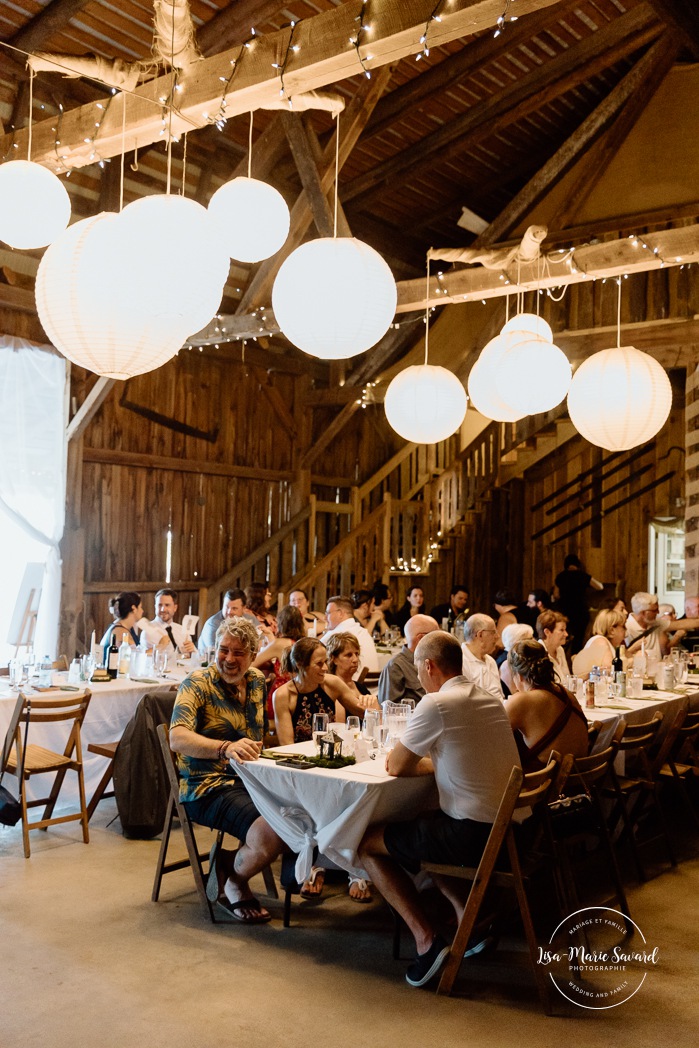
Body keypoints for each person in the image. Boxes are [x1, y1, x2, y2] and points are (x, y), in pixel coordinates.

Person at [358, 631, 522, 988]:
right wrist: (437, 762)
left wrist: (419, 760)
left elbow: (397, 767)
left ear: (428, 666)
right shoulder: (489, 698)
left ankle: (426, 940)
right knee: (421, 824)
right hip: (512, 831)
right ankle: (469, 920)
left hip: (473, 836)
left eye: (418, 668)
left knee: (367, 841)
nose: (418, 676)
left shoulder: (436, 704)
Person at [169, 617, 284, 923]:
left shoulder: (258, 681)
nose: (229, 659)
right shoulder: (197, 684)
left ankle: (237, 864)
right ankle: (232, 876)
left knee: (302, 814)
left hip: (252, 778)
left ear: (252, 654)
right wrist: (224, 748)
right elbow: (177, 737)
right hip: (206, 786)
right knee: (271, 833)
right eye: (223, 650)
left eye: (238, 653)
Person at [272, 637, 360, 901]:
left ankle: (353, 868)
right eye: (319, 663)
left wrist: (370, 704)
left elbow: (361, 711)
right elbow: (287, 747)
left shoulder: (331, 684)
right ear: (300, 665)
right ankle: (318, 863)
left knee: (355, 797)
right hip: (302, 771)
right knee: (322, 800)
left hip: (332, 763)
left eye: (325, 662)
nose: (325, 668)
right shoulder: (283, 695)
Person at [506, 640, 589, 773]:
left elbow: (491, 737)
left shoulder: (522, 701)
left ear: (519, 676)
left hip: (548, 787)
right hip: (581, 778)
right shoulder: (565, 692)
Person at [252, 605, 306, 730]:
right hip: (299, 697)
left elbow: (252, 663)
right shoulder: (303, 643)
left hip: (281, 698)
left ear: (281, 623)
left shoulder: (280, 644)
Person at [377, 614, 440, 707]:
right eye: (436, 636)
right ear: (421, 638)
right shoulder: (396, 666)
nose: (440, 641)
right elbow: (389, 710)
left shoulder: (436, 661)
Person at [553, 554, 603, 654]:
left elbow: (556, 595)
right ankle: (575, 660)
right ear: (578, 564)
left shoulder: (561, 576)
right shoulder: (582, 575)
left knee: (563, 637)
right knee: (578, 639)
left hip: (565, 611)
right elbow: (600, 587)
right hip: (580, 611)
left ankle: (562, 658)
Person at [321, 595, 378, 677]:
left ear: (340, 613)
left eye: (328, 613)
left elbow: (311, 655)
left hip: (352, 687)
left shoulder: (337, 634)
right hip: (373, 687)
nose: (324, 618)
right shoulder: (363, 631)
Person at [325, 632, 378, 710]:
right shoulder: (331, 690)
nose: (355, 659)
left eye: (356, 654)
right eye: (348, 655)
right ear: (334, 659)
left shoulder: (361, 688)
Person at [572, 608, 627, 678]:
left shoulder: (610, 644)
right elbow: (609, 669)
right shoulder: (601, 641)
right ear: (612, 630)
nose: (626, 629)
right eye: (623, 626)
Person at [460, 613, 503, 699]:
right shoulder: (460, 661)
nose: (497, 637)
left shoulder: (491, 661)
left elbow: (499, 696)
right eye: (493, 632)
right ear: (480, 635)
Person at [145, 588, 196, 656]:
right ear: (155, 607)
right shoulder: (148, 630)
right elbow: (143, 657)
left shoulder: (183, 631)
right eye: (160, 605)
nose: (163, 609)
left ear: (175, 608)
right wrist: (160, 647)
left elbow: (196, 659)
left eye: (167, 605)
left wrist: (193, 651)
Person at [197, 588, 246, 654]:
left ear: (244, 608)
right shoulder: (212, 624)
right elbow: (219, 654)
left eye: (234, 608)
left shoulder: (248, 619)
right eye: (227, 607)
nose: (229, 612)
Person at [100, 591, 143, 662]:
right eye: (140, 607)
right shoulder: (119, 631)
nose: (142, 611)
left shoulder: (126, 628)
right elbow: (133, 658)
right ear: (134, 608)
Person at [499, 622, 534, 698]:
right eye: (530, 638)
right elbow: (515, 692)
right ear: (518, 641)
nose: (534, 641)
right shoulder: (506, 662)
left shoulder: (517, 658)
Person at [625, 592, 664, 659]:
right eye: (654, 610)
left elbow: (678, 625)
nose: (658, 612)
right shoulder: (626, 628)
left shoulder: (655, 622)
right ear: (643, 613)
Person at [536, 610, 570, 682]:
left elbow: (567, 680)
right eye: (561, 630)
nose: (566, 634)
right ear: (547, 632)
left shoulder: (560, 649)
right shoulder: (537, 653)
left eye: (565, 630)